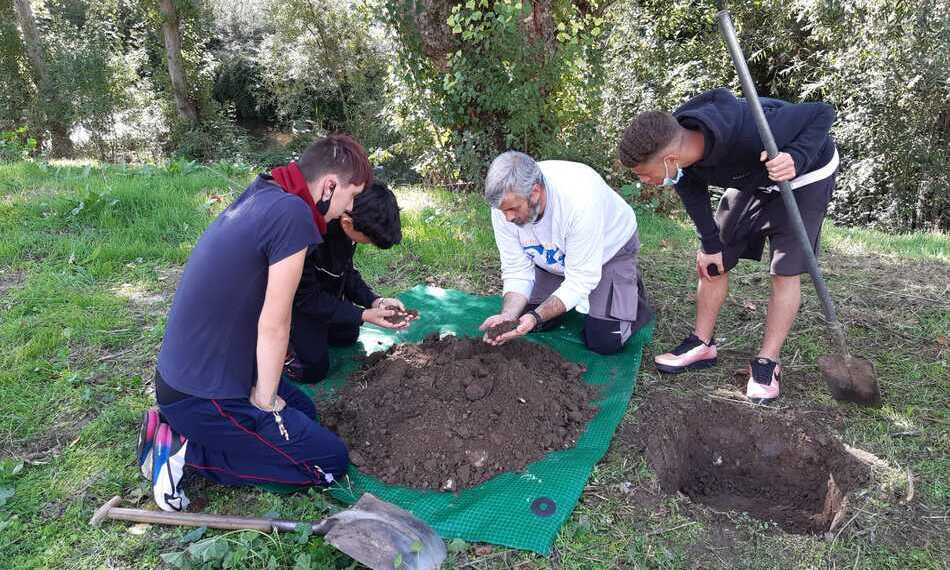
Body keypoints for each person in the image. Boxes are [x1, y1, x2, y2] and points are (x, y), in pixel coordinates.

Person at [135, 135, 404, 512]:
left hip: (197, 374)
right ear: (329, 185)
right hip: (206, 392)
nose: (348, 210)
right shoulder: (294, 216)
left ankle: (175, 425)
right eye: (350, 197)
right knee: (329, 462)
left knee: (306, 414)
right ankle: (186, 454)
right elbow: (276, 322)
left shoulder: (267, 190)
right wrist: (264, 397)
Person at [618, 87, 838, 404]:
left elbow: (822, 111)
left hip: (804, 175)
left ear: (668, 159)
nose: (645, 181)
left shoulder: (752, 128)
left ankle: (768, 362)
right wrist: (709, 243)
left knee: (785, 271)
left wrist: (796, 158)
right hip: (752, 178)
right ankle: (701, 343)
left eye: (644, 174)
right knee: (712, 261)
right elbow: (691, 192)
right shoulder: (683, 151)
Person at [479, 151, 653, 354]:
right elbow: (516, 268)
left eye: (513, 210)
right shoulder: (504, 204)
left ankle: (627, 289)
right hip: (553, 257)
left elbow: (580, 280)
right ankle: (559, 297)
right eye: (503, 211)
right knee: (525, 319)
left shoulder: (580, 200)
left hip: (608, 252)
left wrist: (537, 315)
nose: (507, 218)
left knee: (604, 340)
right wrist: (508, 316)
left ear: (535, 192)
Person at [284, 180, 410, 382]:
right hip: (296, 300)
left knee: (348, 335)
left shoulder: (349, 223)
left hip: (321, 293)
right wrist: (363, 314)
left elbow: (346, 273)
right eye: (369, 240)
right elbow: (307, 298)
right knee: (312, 370)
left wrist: (375, 301)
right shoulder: (309, 231)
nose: (368, 244)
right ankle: (288, 342)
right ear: (347, 223)